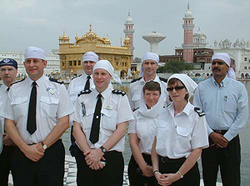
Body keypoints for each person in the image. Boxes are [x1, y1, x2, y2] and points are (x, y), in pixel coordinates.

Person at [0, 46, 74, 186]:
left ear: (44, 64)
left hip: (50, 152)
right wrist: (25, 148)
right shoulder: (15, 89)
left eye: (36, 61)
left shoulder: (58, 88)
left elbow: (64, 122)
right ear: (24, 64)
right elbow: (9, 122)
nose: (32, 65)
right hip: (22, 151)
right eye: (28, 61)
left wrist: (43, 146)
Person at [72, 60, 134, 186]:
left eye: (103, 74)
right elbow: (76, 128)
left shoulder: (120, 98)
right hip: (86, 156)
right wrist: (89, 154)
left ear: (110, 76)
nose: (99, 77)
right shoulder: (82, 98)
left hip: (110, 157)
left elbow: (121, 130)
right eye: (96, 73)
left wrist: (100, 151)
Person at [193, 53, 249, 186]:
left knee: (232, 179)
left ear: (228, 66)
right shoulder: (202, 87)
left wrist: (227, 137)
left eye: (220, 63)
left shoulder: (238, 88)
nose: (216, 66)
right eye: (214, 63)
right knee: (209, 177)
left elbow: (242, 116)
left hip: (230, 140)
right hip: (208, 139)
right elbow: (197, 113)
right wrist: (211, 134)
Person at [151, 74, 209, 186]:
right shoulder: (162, 113)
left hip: (185, 172)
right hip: (162, 170)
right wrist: (156, 171)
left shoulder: (196, 116)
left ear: (186, 91)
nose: (174, 92)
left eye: (178, 88)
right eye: (170, 89)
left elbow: (197, 150)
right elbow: (155, 145)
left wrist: (178, 175)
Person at [128, 81, 164, 186]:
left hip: (161, 162)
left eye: (155, 94)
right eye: (148, 94)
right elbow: (133, 142)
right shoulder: (136, 115)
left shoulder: (166, 115)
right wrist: (143, 166)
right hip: (140, 160)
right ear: (143, 95)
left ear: (160, 96)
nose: (151, 97)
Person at [68, 51, 98, 157]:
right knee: (80, 159)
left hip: (96, 127)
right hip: (77, 127)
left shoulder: (102, 82)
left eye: (91, 62)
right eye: (86, 62)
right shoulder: (74, 83)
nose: (88, 65)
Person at [0, 58, 18, 186]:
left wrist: (13, 136)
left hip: (20, 145)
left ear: (16, 71)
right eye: (3, 70)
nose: (6, 72)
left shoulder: (24, 91)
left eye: (10, 69)